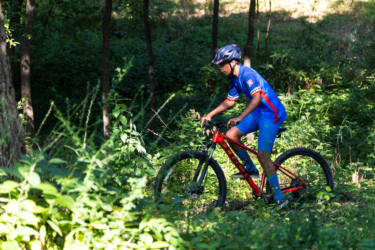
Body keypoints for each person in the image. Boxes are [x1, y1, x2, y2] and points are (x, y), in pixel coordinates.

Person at [200, 44, 288, 208]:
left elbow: (256, 99)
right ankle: (251, 169)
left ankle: (279, 197)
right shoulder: (234, 78)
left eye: (222, 64)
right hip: (259, 113)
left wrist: (240, 117)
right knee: (232, 135)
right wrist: (210, 114)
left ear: (232, 62)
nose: (220, 68)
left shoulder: (247, 73)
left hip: (271, 113)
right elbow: (230, 101)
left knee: (263, 155)